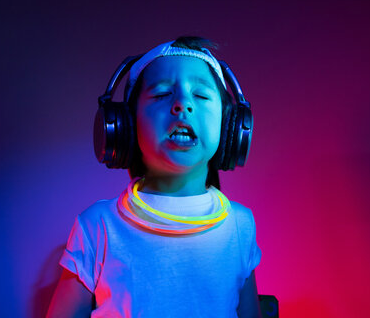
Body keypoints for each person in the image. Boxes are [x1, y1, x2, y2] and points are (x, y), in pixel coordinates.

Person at [47, 36, 262, 317]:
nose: (182, 104)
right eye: (161, 95)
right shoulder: (97, 226)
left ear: (230, 126)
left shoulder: (240, 225)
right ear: (126, 125)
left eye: (201, 95)